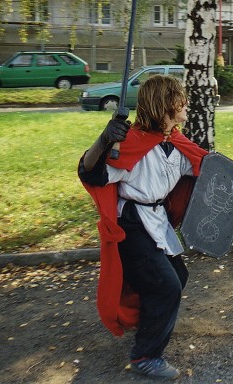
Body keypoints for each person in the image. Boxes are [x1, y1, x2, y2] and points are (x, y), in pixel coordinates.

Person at [78, 75, 208, 379]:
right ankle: (145, 356)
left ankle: (151, 324)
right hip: (132, 225)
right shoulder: (130, 143)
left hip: (158, 220)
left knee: (177, 275)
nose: (186, 104)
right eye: (181, 99)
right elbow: (92, 173)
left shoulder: (175, 142)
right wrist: (104, 140)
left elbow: (205, 167)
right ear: (167, 103)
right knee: (165, 284)